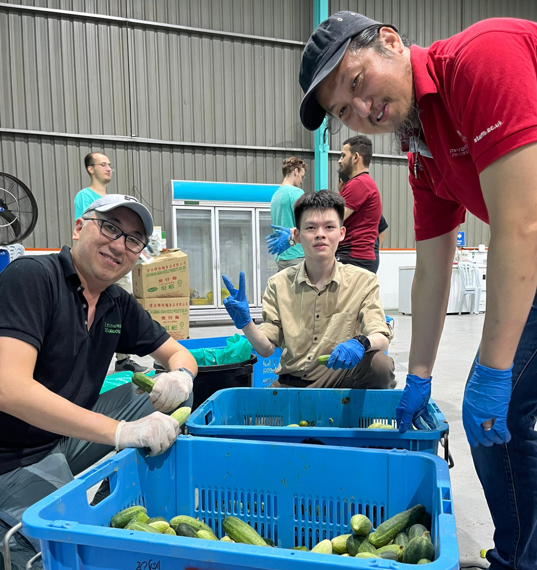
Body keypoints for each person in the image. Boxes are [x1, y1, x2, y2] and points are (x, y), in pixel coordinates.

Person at [299, 11, 537, 570]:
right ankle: (515, 556)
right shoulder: (422, 148)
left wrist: (495, 368)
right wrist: (422, 377)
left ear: (388, 42)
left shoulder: (482, 59)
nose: (362, 110)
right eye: (343, 109)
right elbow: (432, 271)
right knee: (491, 429)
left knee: (501, 407)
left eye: (357, 84)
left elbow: (522, 224)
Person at [0, 194, 197, 570]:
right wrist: (121, 432)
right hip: (12, 455)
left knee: (167, 401)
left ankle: (127, 497)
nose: (119, 244)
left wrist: (181, 376)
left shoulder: (115, 302)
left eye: (133, 239)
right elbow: (9, 389)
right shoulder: (33, 278)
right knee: (63, 549)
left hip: (60, 437)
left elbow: (180, 354)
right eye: (110, 227)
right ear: (79, 227)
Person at [223, 190, 395, 389]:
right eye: (311, 227)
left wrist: (360, 342)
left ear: (341, 233)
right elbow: (266, 349)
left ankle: (357, 415)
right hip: (292, 382)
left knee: (380, 365)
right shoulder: (278, 285)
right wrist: (246, 324)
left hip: (340, 380)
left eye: (329, 227)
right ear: (296, 235)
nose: (320, 234)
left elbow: (381, 336)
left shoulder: (363, 281)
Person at [74, 152, 148, 373]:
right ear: (90, 169)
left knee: (114, 308)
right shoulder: (85, 197)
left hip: (114, 272)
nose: (108, 168)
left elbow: (171, 350)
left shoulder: (114, 198)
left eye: (133, 239)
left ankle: (122, 357)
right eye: (103, 164)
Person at [335, 136, 382, 272]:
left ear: (355, 157)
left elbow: (332, 220)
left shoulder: (359, 184)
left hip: (354, 258)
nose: (340, 161)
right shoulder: (362, 183)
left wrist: (296, 235)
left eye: (343, 156)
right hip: (357, 258)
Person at [265, 157, 307, 271]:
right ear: (295, 171)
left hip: (281, 256)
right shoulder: (296, 192)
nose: (301, 180)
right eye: (301, 176)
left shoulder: (275, 196)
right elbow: (307, 223)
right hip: (297, 254)